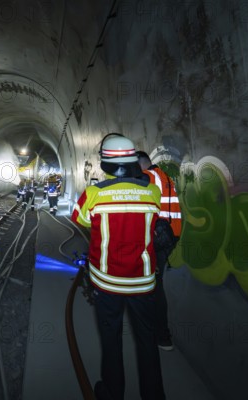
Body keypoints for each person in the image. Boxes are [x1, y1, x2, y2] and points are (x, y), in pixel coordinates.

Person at [71, 134, 166, 400]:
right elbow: (153, 218)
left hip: (108, 281)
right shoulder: (152, 192)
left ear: (106, 163)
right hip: (143, 282)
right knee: (147, 341)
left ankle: (113, 392)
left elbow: (81, 218)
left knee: (111, 339)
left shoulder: (95, 194)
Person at [136, 151, 182, 351]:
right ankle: (157, 332)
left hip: (158, 236)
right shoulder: (164, 176)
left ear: (140, 165)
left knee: (153, 287)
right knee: (154, 283)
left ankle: (162, 336)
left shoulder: (148, 177)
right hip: (170, 234)